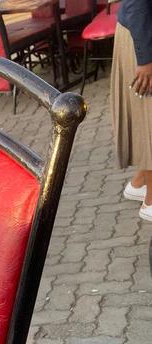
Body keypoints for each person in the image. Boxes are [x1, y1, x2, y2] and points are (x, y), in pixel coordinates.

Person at [111, 0, 152, 222]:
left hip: (141, 32)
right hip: (142, 39)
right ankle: (151, 202)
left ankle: (139, 183)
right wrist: (146, 59)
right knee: (149, 119)